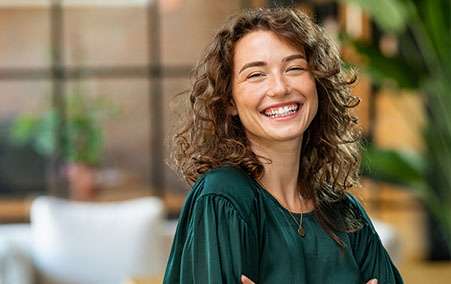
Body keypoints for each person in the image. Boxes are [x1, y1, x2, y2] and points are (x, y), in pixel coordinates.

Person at [163, 7, 403, 284]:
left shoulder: (344, 213)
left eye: (294, 68)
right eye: (256, 75)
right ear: (229, 101)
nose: (279, 88)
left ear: (318, 83)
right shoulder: (223, 197)